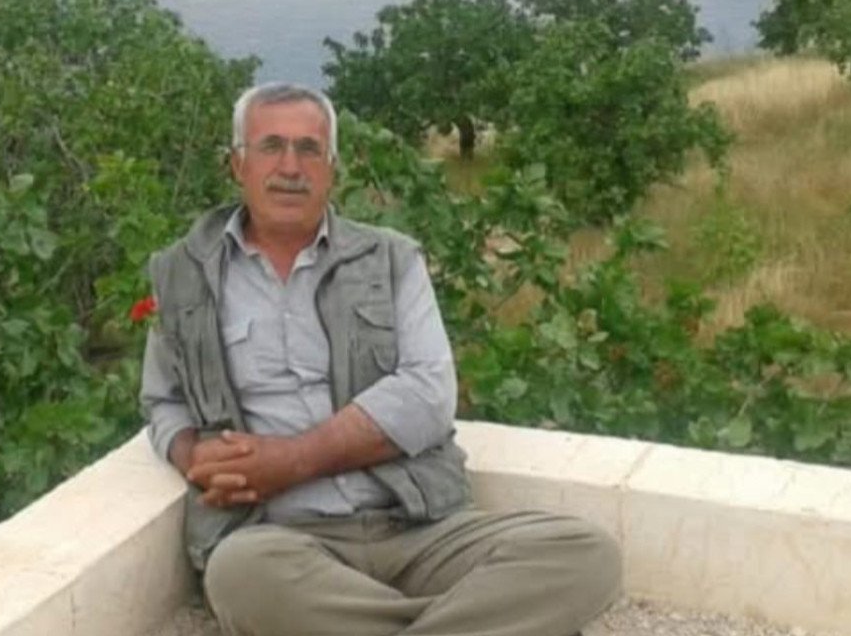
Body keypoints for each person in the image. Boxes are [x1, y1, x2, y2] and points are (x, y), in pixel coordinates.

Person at [139, 82, 621, 636]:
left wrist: (291, 460)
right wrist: (192, 455)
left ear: (332, 168)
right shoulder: (185, 273)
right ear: (237, 165)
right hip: (282, 537)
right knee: (239, 576)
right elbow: (163, 399)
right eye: (271, 146)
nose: (290, 167)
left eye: (309, 149)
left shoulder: (390, 258)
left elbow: (428, 394)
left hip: (417, 524)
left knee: (584, 554)